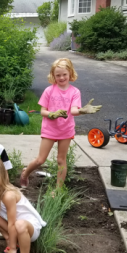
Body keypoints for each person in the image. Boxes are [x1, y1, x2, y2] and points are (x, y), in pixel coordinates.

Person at [20, 58, 101, 188]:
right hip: (50, 129)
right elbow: (42, 111)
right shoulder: (49, 90)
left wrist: (83, 111)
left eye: (64, 74)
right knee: (41, 160)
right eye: (58, 75)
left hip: (66, 130)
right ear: (53, 75)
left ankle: (58, 190)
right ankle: (25, 174)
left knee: (61, 160)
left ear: (70, 73)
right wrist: (51, 114)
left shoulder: (75, 92)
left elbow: (74, 111)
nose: (61, 77)